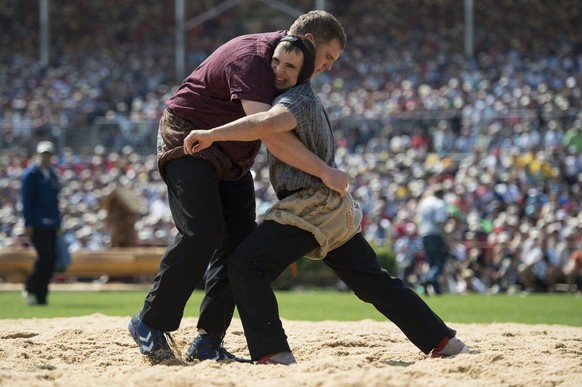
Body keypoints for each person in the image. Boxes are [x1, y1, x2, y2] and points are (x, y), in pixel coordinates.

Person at [183, 36, 469, 364]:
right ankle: (442, 340)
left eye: (290, 66)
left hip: (310, 206)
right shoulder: (296, 93)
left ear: (305, 69)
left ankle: (273, 352)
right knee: (373, 281)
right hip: (328, 207)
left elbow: (265, 124)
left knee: (245, 265)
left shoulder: (298, 97)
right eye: (276, 62)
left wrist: (211, 133)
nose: (278, 70)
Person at [128, 10, 349, 363]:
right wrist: (325, 172)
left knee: (241, 245)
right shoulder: (256, 60)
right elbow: (272, 135)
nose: (329, 67)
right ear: (309, 43)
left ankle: (208, 340)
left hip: (230, 155)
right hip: (188, 140)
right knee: (203, 231)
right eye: (327, 57)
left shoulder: (289, 67)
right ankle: (149, 322)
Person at [21, 141, 62, 306]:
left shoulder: (51, 174)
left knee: (51, 260)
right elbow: (27, 200)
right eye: (44, 154)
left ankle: (41, 295)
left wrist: (58, 222)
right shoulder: (30, 174)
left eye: (49, 154)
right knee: (45, 257)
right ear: (38, 155)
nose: (46, 157)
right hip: (37, 223)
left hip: (51, 224)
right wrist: (28, 222)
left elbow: (55, 201)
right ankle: (30, 287)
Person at [416, 184, 450, 295]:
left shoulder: (423, 202)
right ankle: (426, 279)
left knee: (430, 262)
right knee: (439, 261)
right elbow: (440, 221)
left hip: (424, 234)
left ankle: (436, 289)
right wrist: (446, 237)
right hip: (435, 234)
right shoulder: (439, 203)